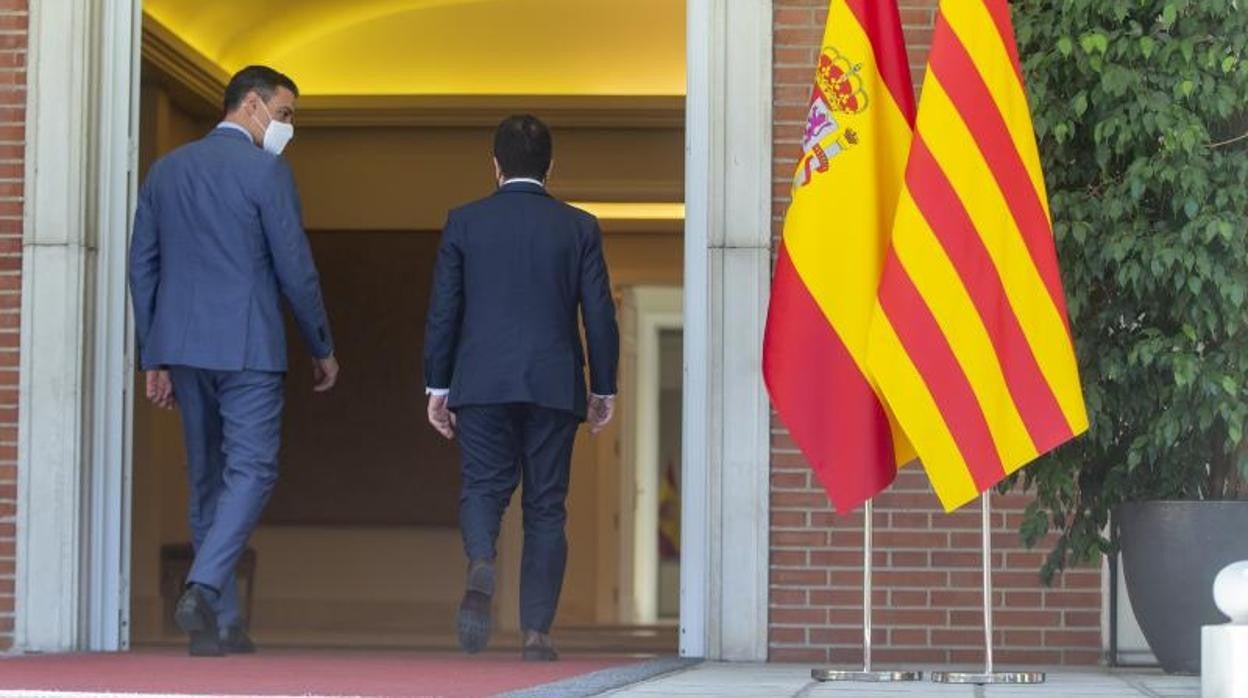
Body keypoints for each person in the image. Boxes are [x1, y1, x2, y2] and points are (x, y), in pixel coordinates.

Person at [128, 65, 339, 657]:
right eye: (286, 113)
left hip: (184, 346)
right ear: (252, 105)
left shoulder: (167, 171)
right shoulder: (267, 172)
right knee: (252, 471)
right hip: (249, 346)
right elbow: (295, 268)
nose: (287, 126)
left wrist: (154, 356)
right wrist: (320, 345)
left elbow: (142, 265)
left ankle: (219, 626)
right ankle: (202, 587)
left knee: (207, 477)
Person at [423, 114, 619, 661]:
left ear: (495, 165)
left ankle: (482, 559)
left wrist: (437, 385)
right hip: (554, 384)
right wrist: (604, 386)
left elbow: (444, 311)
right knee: (547, 507)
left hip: (481, 381)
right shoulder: (578, 226)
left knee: (484, 488)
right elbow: (599, 313)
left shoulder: (465, 222)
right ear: (551, 168)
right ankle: (537, 634)